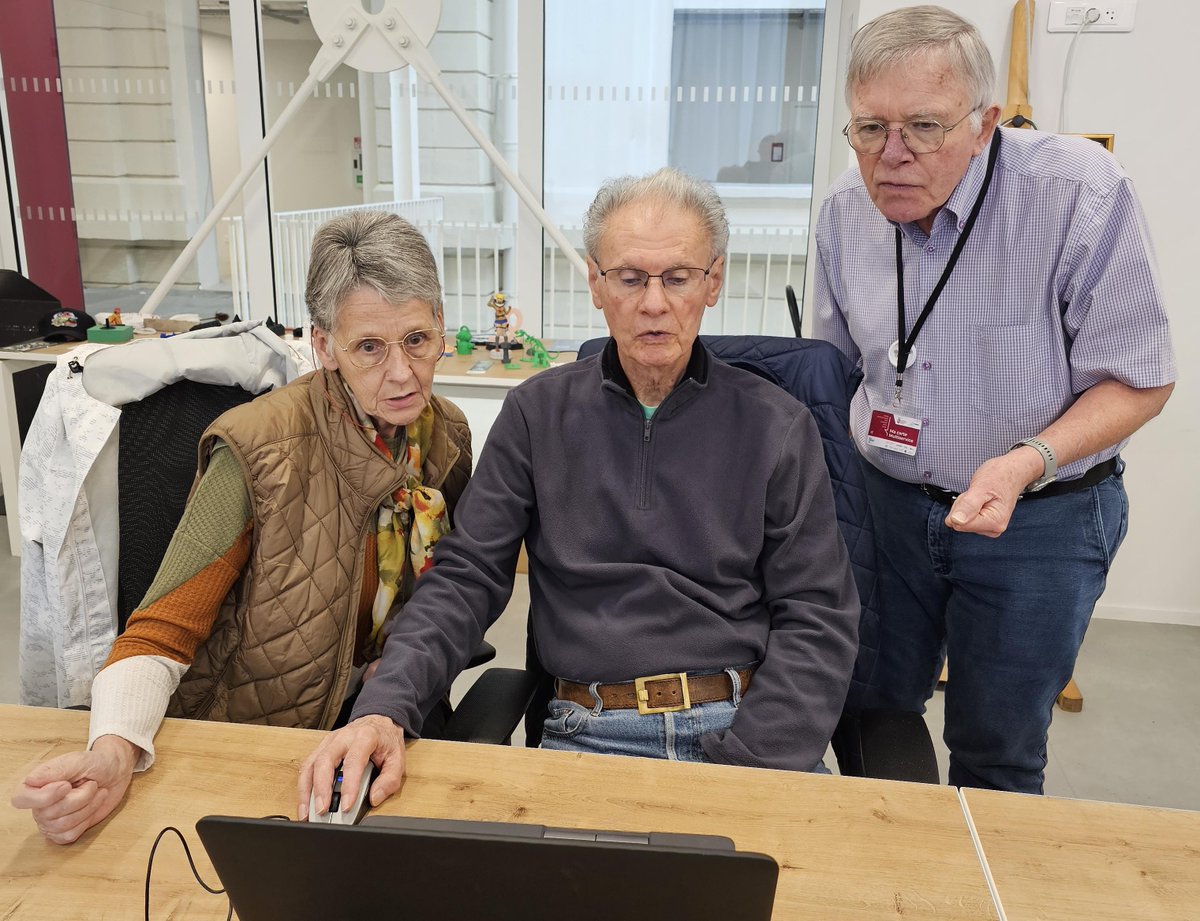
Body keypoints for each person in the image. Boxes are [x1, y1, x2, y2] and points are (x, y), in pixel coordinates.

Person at [299, 167, 860, 819]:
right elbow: (466, 576)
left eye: (678, 277)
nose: (654, 303)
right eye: (630, 278)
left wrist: (750, 767)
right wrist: (383, 709)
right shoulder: (536, 415)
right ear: (595, 283)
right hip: (588, 734)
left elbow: (818, 614)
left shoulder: (778, 425)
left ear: (713, 281)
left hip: (743, 726)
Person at [13, 211, 473, 843]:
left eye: (417, 339)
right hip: (261, 741)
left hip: (380, 726)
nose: (402, 372)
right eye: (369, 347)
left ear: (441, 325)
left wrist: (394, 678)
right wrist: (113, 751)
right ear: (324, 346)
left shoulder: (445, 436)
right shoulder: (259, 450)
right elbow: (162, 629)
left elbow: (450, 592)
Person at [813, 5, 1176, 793]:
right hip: (887, 510)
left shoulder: (1076, 192)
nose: (892, 155)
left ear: (983, 125)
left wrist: (1024, 461)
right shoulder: (844, 210)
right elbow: (835, 373)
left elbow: (1142, 378)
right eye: (870, 128)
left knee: (996, 749)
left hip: (1039, 519)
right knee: (869, 716)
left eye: (923, 127)